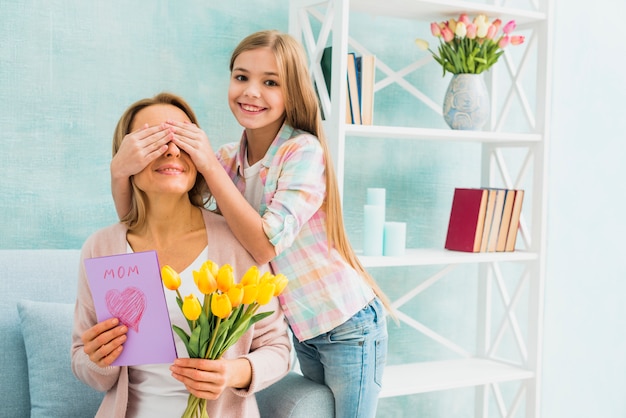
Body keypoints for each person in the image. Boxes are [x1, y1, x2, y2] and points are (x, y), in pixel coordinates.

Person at [111, 30, 391, 417]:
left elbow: (263, 246)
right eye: (241, 77)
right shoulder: (229, 160)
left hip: (346, 324)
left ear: (292, 92)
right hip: (301, 329)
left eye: (270, 82)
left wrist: (207, 161)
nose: (251, 92)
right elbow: (145, 214)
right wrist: (119, 172)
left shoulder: (302, 152)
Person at [72, 92, 291, 418]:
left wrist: (233, 372)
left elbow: (279, 349)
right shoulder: (101, 248)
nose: (172, 149)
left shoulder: (235, 242)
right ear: (126, 159)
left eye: (182, 138)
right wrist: (98, 359)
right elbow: (82, 360)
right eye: (152, 139)